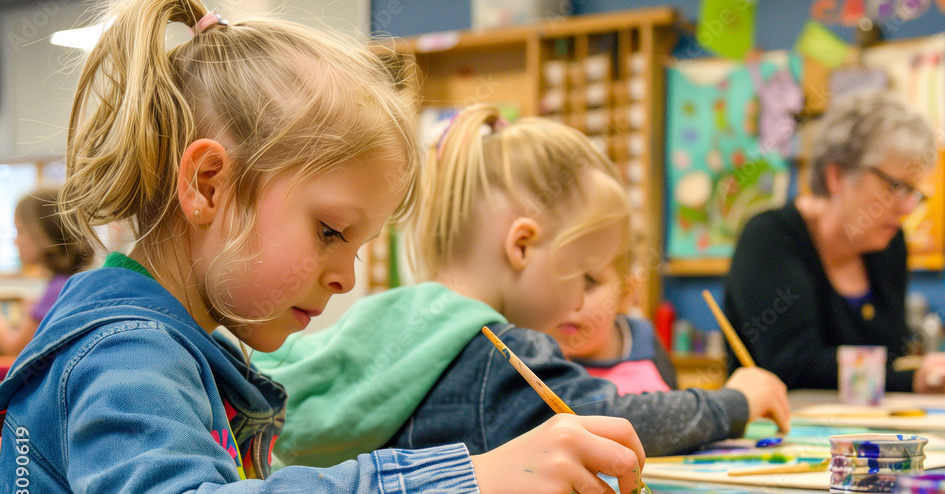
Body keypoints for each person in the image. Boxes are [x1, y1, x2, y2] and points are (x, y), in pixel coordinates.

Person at [0, 1, 648, 494]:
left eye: (361, 245)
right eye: (332, 232)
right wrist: (467, 482)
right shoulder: (124, 350)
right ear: (207, 185)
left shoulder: (194, 344)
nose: (347, 276)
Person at [255, 104, 790, 470]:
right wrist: (736, 401)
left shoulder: (393, 316)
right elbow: (616, 425)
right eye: (584, 274)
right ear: (523, 246)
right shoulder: (496, 351)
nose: (583, 301)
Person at [723, 91, 945, 393]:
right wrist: (910, 379)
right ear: (837, 176)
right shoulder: (769, 239)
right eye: (895, 186)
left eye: (913, 192)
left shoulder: (888, 244)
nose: (908, 207)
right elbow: (792, 367)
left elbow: (892, 354)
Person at [548, 235, 678, 393]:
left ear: (624, 293)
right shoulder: (531, 359)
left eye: (588, 283)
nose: (568, 301)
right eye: (554, 283)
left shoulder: (649, 349)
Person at [0, 187, 92, 355]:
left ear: (42, 234)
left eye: (20, 231)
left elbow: (15, 347)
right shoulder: (70, 281)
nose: (16, 241)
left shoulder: (59, 287)